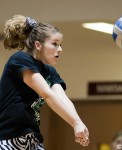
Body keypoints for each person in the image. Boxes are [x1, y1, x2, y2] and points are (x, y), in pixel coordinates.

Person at [0, 15, 90, 149]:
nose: (60, 49)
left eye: (60, 45)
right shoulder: (20, 59)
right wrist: (75, 123)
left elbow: (63, 99)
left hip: (32, 139)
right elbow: (47, 94)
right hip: (8, 139)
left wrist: (79, 123)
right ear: (38, 45)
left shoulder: (49, 71)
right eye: (55, 44)